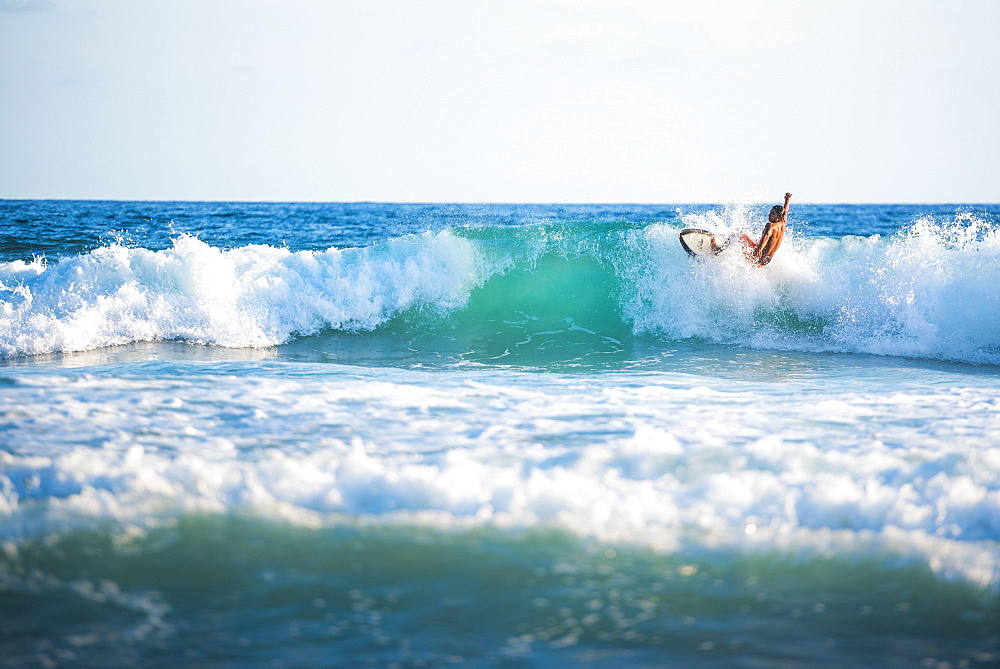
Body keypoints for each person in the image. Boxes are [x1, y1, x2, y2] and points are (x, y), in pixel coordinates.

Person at [735, 192, 792, 266]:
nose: (769, 215)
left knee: (737, 234)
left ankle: (719, 250)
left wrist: (759, 250)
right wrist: (787, 201)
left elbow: (766, 237)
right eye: (770, 213)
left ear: (779, 216)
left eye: (772, 214)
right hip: (767, 260)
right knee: (749, 241)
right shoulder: (783, 223)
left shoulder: (770, 225)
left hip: (758, 257)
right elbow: (786, 211)